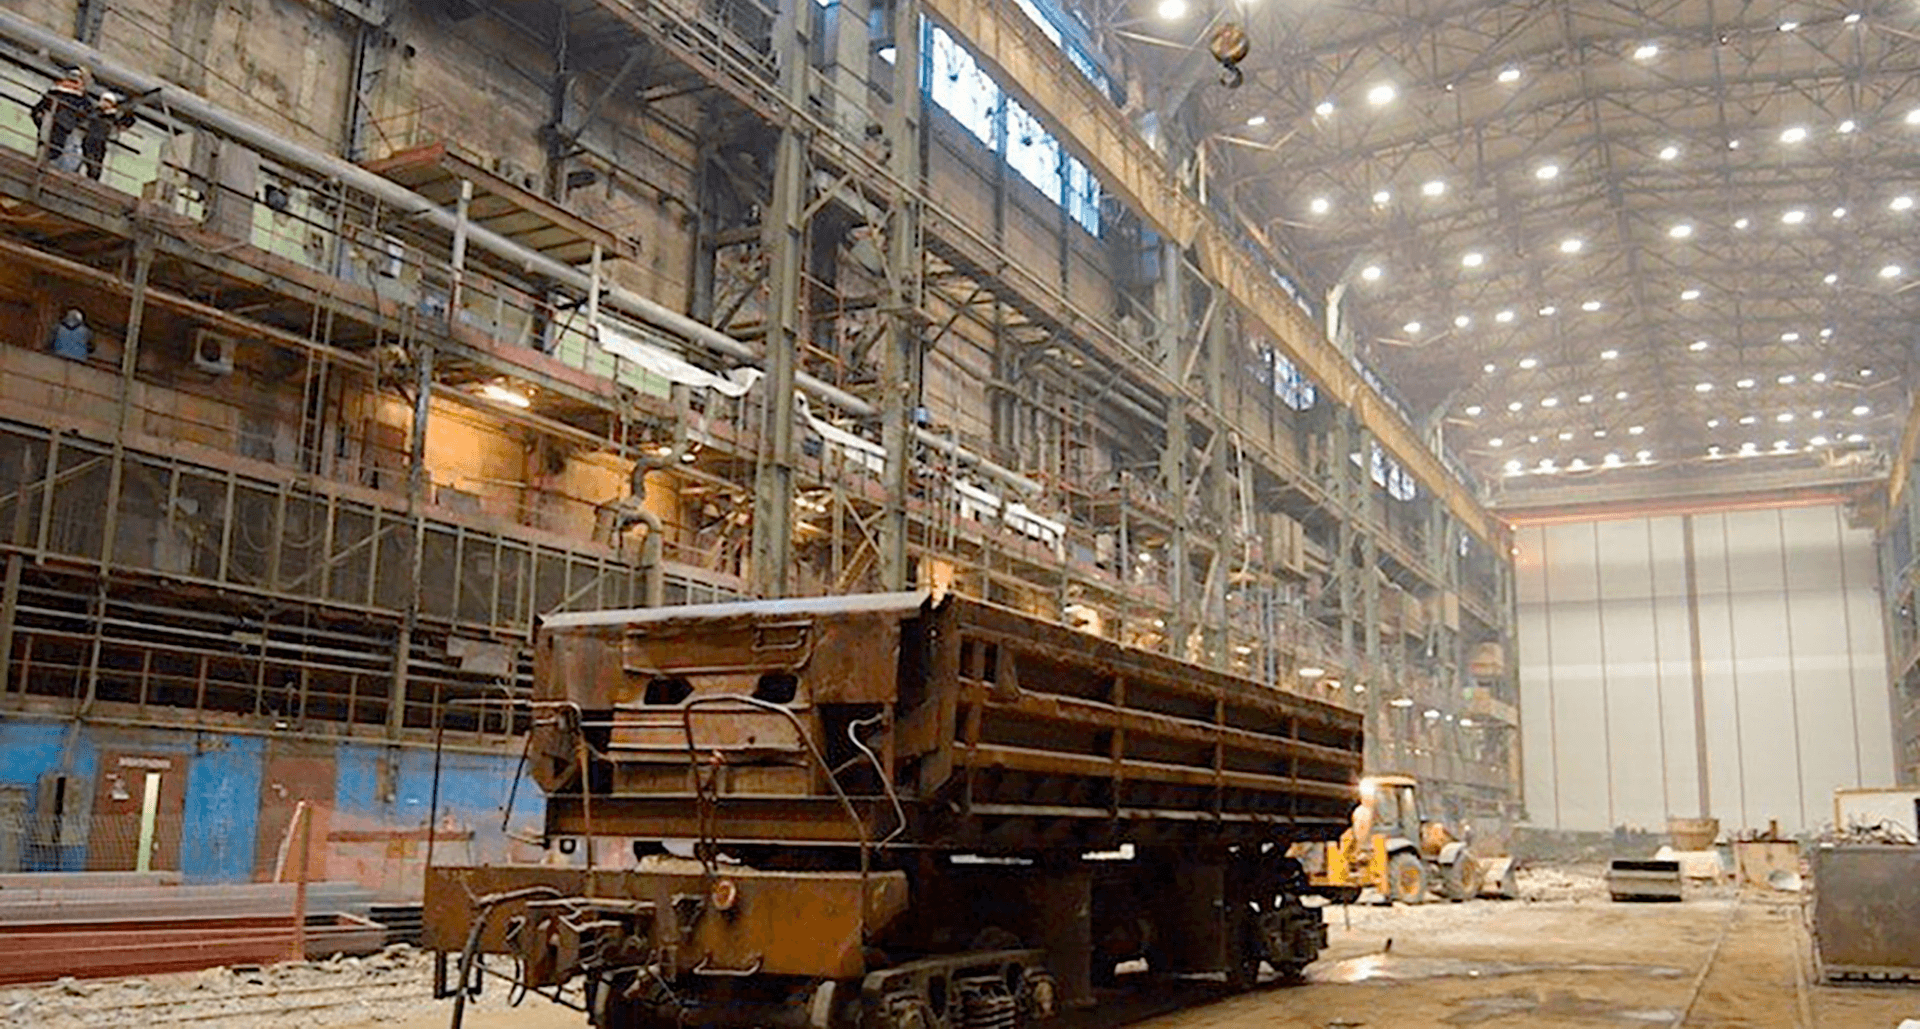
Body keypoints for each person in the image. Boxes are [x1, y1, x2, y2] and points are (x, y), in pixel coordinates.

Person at [28, 67, 91, 166]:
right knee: (45, 144)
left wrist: (72, 122)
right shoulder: (55, 91)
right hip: (50, 122)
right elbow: (38, 108)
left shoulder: (81, 98)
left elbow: (86, 113)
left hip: (63, 126)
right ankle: (41, 163)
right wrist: (40, 118)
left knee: (56, 149)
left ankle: (46, 164)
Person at [80, 91, 136, 181]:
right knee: (86, 157)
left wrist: (126, 115)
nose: (104, 103)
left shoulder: (112, 116)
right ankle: (88, 174)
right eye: (104, 101)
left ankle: (93, 178)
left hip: (100, 141)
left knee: (96, 161)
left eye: (108, 102)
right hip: (89, 138)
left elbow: (128, 120)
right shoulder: (95, 111)